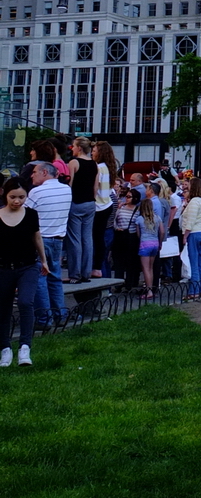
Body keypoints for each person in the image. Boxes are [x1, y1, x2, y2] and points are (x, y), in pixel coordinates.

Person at [0, 177, 49, 368]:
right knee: (3, 308)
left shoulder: (31, 215)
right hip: (4, 268)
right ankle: (5, 348)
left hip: (28, 266)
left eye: (21, 197)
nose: (17, 201)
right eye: (13, 197)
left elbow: (37, 237)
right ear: (5, 195)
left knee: (25, 301)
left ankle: (25, 347)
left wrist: (43, 260)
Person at [27, 162, 71, 326]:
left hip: (41, 239)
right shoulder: (67, 190)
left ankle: (44, 318)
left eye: (34, 172)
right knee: (54, 277)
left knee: (40, 278)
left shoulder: (36, 192)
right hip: (58, 238)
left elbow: (25, 212)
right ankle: (60, 314)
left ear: (44, 172)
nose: (32, 175)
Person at [65, 136, 98, 283]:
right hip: (90, 203)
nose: (72, 148)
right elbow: (95, 186)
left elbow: (69, 184)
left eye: (73, 146)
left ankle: (75, 274)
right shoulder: (94, 164)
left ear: (79, 148)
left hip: (76, 202)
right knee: (87, 238)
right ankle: (86, 272)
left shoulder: (74, 162)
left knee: (74, 239)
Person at [181, 177, 201, 300]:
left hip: (195, 232)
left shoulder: (194, 201)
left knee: (193, 262)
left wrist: (185, 236)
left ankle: (193, 290)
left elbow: (190, 221)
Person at [91, 141, 118, 278]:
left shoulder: (98, 168)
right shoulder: (107, 167)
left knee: (96, 239)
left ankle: (96, 267)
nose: (92, 153)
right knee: (99, 238)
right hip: (105, 204)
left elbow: (95, 187)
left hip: (99, 206)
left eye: (94, 151)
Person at [111, 187, 142, 290]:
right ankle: (118, 284)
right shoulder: (121, 208)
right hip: (120, 235)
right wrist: (116, 227)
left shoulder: (138, 210)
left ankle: (129, 284)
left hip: (131, 237)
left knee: (130, 261)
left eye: (129, 197)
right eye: (126, 196)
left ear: (135, 198)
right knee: (118, 261)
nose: (126, 198)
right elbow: (114, 219)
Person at [134, 196, 164, 299]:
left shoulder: (139, 219)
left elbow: (138, 234)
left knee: (145, 269)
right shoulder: (157, 218)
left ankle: (149, 291)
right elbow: (162, 231)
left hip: (145, 244)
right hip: (155, 243)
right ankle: (151, 288)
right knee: (151, 268)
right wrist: (160, 242)